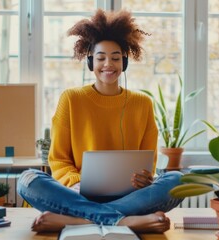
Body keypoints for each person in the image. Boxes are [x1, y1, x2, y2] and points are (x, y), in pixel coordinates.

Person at [17, 9, 183, 233]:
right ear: (90, 62)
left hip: (130, 195)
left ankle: (79, 219)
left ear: (124, 63)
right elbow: (58, 160)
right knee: (28, 180)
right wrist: (76, 182)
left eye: (115, 58)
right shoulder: (71, 99)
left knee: (177, 180)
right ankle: (124, 221)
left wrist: (144, 179)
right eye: (101, 58)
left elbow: (148, 165)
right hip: (78, 192)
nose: (108, 64)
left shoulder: (142, 103)